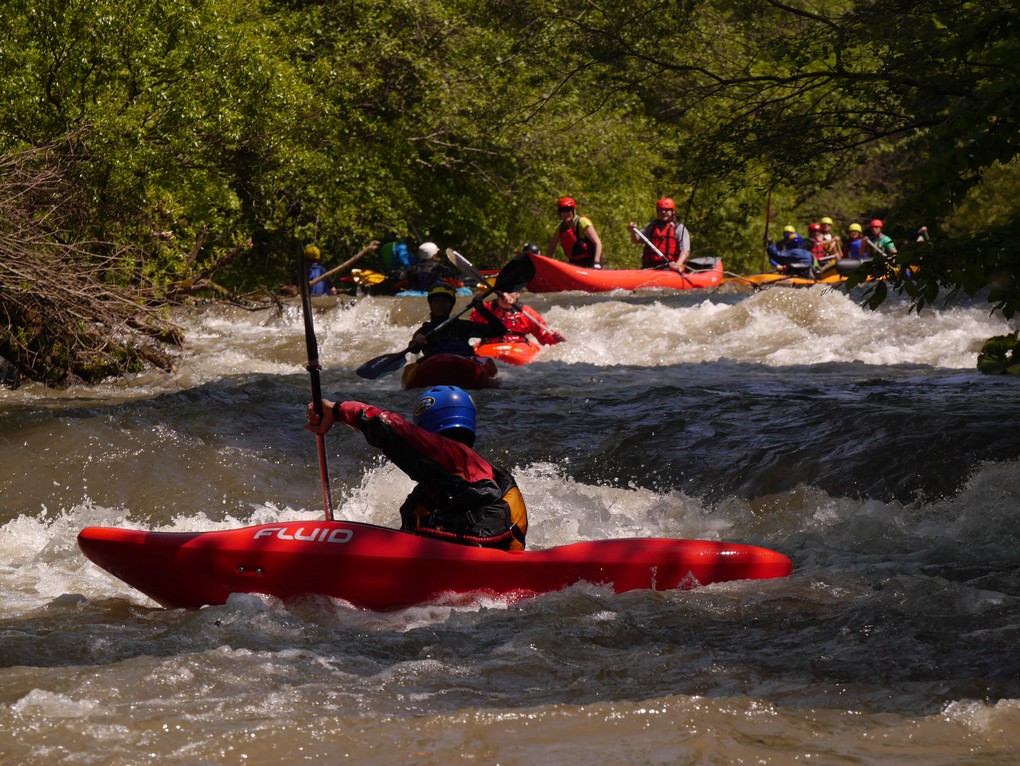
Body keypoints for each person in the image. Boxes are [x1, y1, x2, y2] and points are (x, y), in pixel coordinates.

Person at [306, 387, 528, 550]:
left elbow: (389, 427)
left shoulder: (455, 456)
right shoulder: (471, 469)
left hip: (482, 561)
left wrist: (337, 410)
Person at [469, 249, 566, 346]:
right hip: (490, 347)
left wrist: (555, 340)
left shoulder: (527, 312)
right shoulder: (486, 308)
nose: (507, 293)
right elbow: (470, 327)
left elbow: (544, 338)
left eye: (511, 291)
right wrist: (477, 304)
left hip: (518, 348)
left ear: (518, 293)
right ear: (497, 292)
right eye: (505, 290)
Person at [411, 283, 506, 357]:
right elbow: (413, 350)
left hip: (463, 366)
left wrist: (481, 309)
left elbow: (499, 330)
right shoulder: (424, 331)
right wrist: (417, 342)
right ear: (431, 304)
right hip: (436, 369)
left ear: (451, 305)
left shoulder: (462, 326)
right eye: (436, 301)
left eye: (445, 301)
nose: (440, 304)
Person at [628, 197, 691, 271]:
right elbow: (636, 240)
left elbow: (685, 251)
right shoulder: (652, 226)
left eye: (666, 210)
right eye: (661, 210)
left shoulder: (679, 228)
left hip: (668, 268)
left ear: (672, 212)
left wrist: (678, 264)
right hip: (649, 267)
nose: (663, 212)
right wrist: (633, 232)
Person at [545, 196, 603, 269]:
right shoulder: (561, 227)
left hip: (591, 261)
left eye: (568, 210)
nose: (565, 214)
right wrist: (546, 262)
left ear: (573, 211)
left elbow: (598, 243)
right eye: (563, 211)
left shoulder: (582, 222)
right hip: (574, 263)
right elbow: (552, 247)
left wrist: (596, 262)